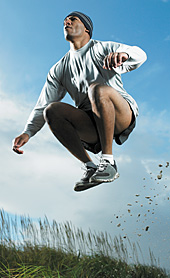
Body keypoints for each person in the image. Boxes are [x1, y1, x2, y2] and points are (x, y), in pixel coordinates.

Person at [12, 11, 147, 192]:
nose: (66, 22)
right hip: (91, 124)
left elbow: (139, 53)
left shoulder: (102, 48)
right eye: (64, 21)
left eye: (72, 19)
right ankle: (90, 168)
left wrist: (124, 55)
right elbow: (43, 104)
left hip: (120, 114)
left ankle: (108, 162)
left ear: (87, 29)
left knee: (96, 89)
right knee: (52, 110)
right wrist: (28, 132)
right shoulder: (59, 68)